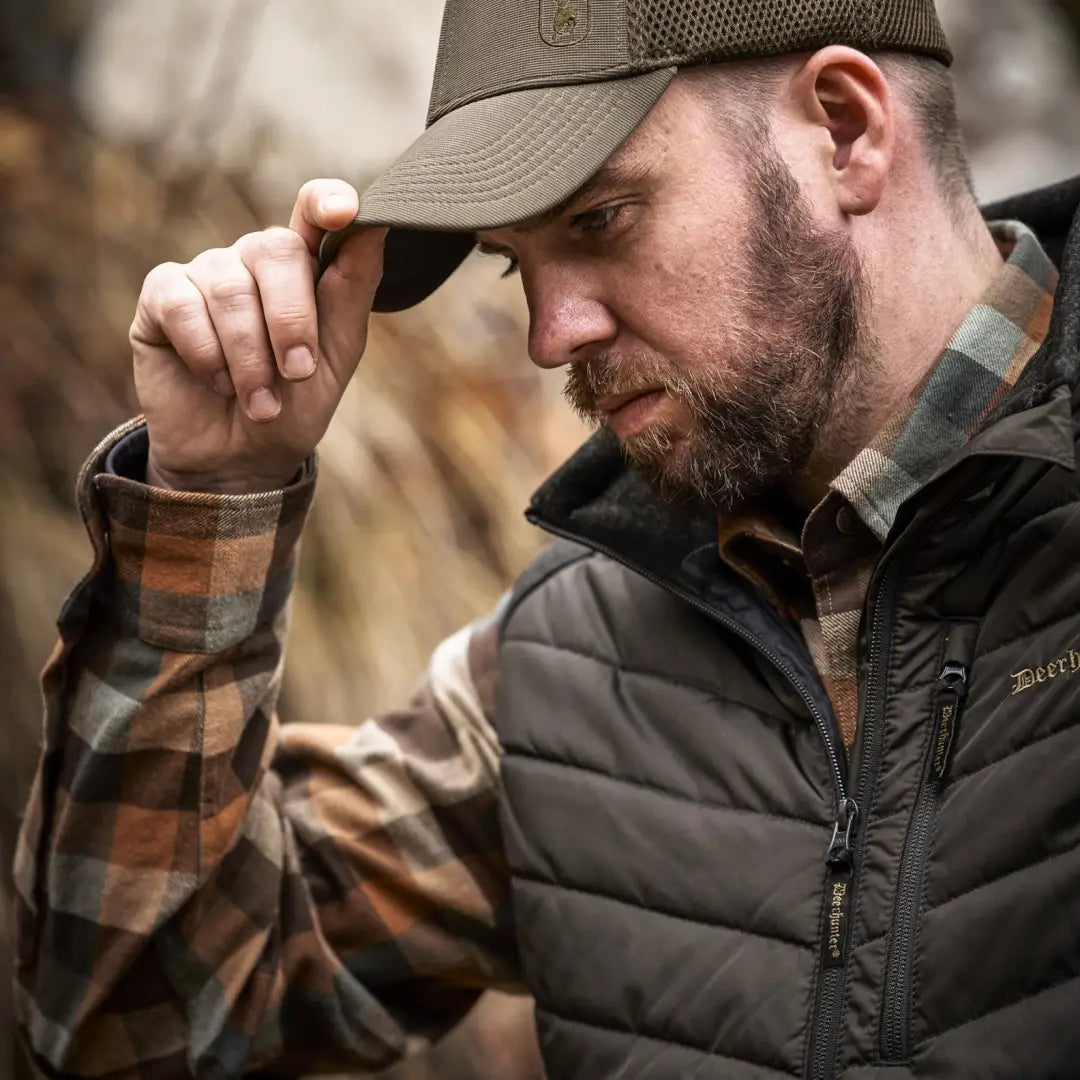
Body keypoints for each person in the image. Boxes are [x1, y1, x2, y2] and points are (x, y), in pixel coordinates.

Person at [14, 0, 1080, 1076]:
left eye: (602, 219)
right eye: (514, 262)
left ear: (846, 129)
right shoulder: (564, 674)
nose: (548, 335)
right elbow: (136, 1028)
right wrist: (209, 498)